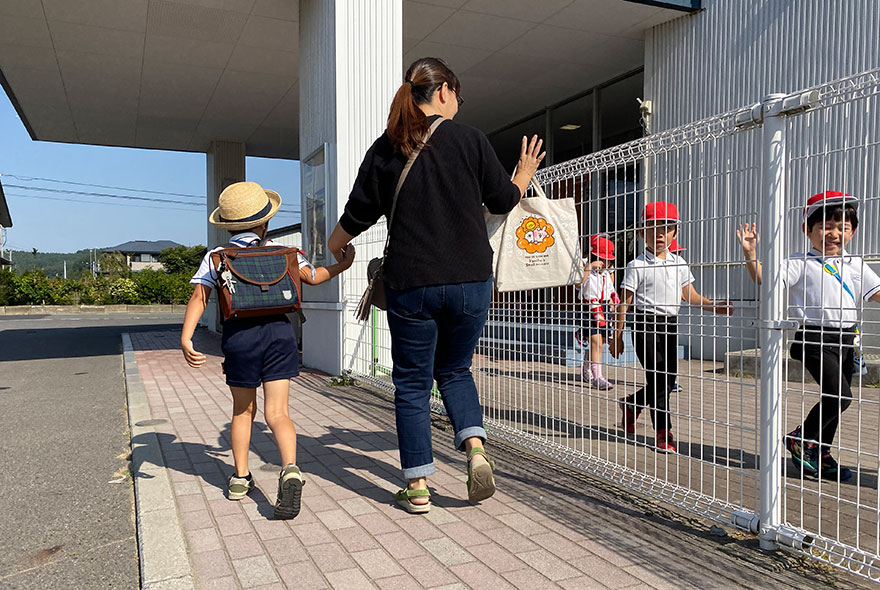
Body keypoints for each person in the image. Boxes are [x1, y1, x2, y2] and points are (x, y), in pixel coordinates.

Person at [327, 57, 545, 513]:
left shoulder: (387, 149)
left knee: (411, 383)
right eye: (457, 96)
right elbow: (504, 200)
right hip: (470, 281)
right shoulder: (470, 140)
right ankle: (476, 450)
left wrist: (336, 246)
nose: (458, 105)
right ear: (443, 90)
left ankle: (419, 486)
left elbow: (357, 213)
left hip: (412, 284)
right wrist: (522, 171)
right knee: (455, 369)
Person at [180, 181, 355, 519]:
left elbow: (199, 296)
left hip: (240, 338)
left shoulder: (217, 256)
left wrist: (186, 339)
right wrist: (342, 266)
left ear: (229, 225)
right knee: (279, 414)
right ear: (264, 222)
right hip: (279, 334)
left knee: (243, 411)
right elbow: (314, 277)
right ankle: (290, 469)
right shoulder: (283, 252)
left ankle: (240, 479)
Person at [737, 191, 880, 480]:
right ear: (807, 229)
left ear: (853, 231)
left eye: (843, 227)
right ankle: (801, 439)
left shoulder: (855, 263)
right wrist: (751, 255)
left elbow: (877, 292)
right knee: (840, 396)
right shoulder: (800, 261)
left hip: (845, 340)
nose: (834, 233)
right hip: (814, 338)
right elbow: (765, 279)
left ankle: (821, 454)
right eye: (825, 226)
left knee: (834, 397)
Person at [610, 201, 732, 453]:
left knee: (668, 379)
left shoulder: (680, 263)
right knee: (657, 377)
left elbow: (690, 295)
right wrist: (617, 335)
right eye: (653, 228)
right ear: (642, 231)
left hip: (670, 323)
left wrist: (714, 306)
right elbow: (625, 302)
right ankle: (664, 433)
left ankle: (633, 404)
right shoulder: (637, 265)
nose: (660, 234)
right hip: (645, 324)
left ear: (675, 233)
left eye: (666, 228)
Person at [577, 234, 618, 389]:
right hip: (590, 307)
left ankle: (587, 367)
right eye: (602, 259)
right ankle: (598, 376)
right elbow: (578, 285)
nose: (605, 263)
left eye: (608, 260)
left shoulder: (608, 272)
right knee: (596, 341)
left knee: (601, 342)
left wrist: (613, 305)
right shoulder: (584, 265)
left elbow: (610, 289)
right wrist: (589, 267)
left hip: (604, 307)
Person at [668, 238, 685, 393]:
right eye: (675, 252)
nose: (678, 255)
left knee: (671, 352)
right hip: (651, 317)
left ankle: (671, 380)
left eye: (679, 252)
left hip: (672, 315)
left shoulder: (679, 266)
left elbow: (685, 290)